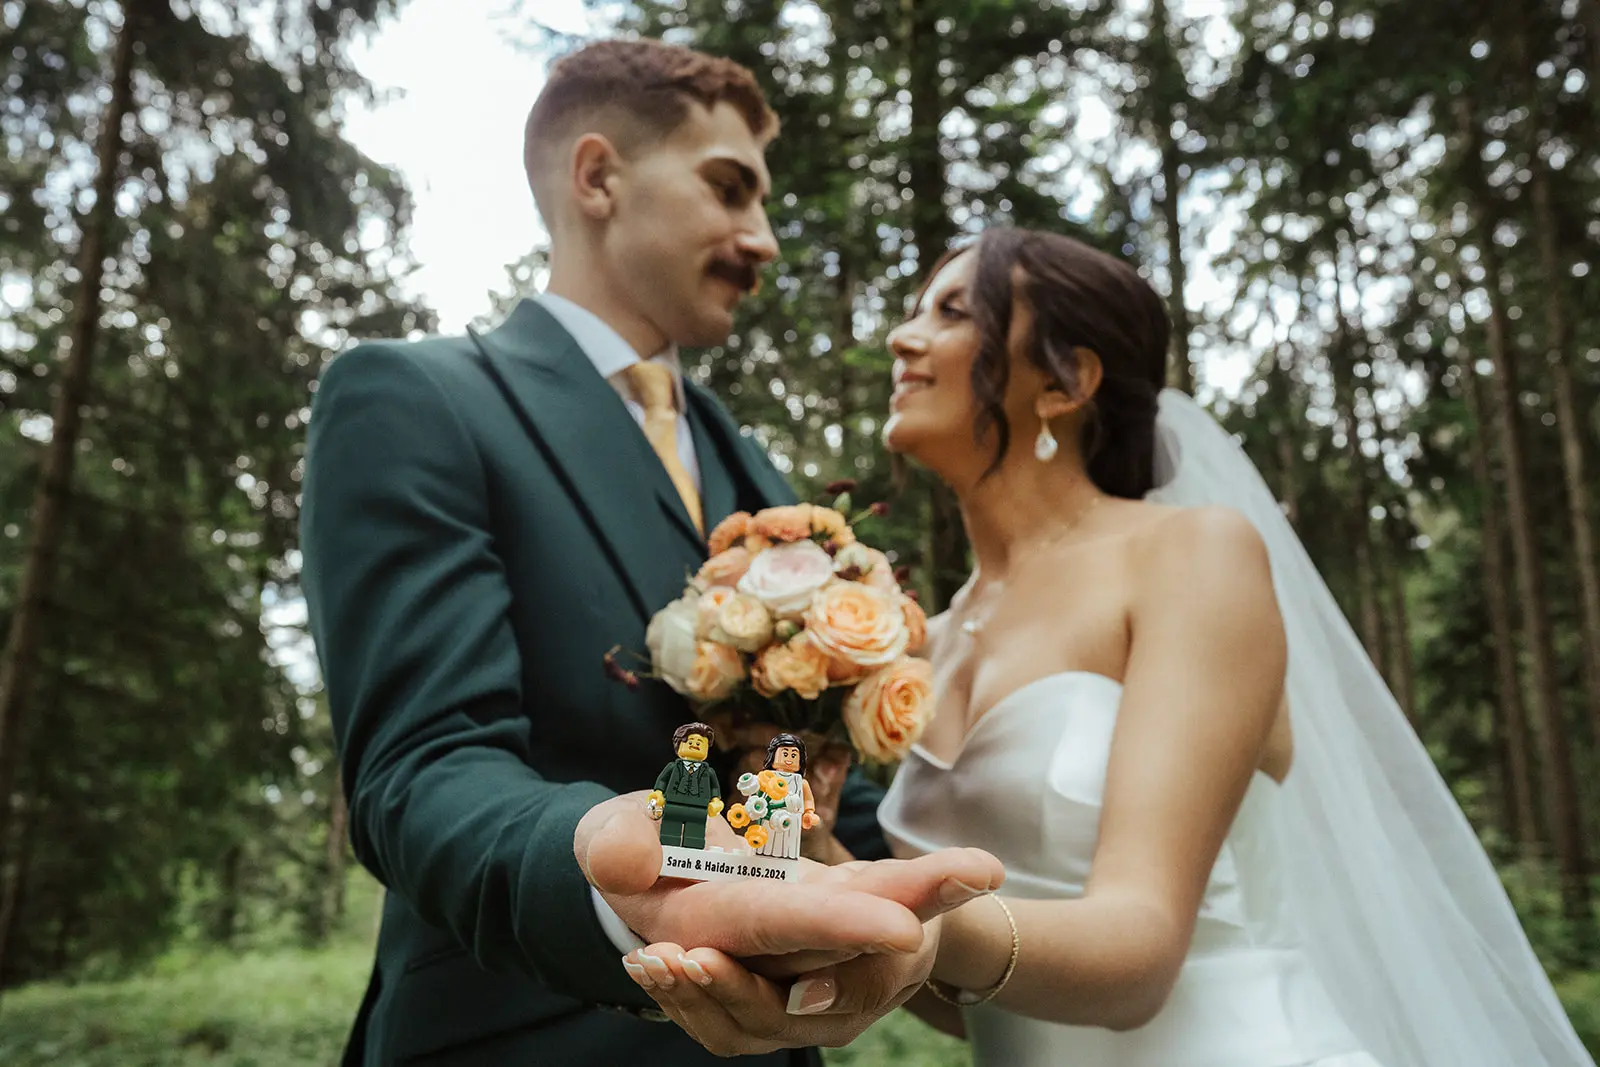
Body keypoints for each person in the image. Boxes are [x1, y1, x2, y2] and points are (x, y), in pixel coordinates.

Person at [615, 227, 1599, 1067]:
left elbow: (1136, 952)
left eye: (952, 313)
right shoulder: (928, 640)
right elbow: (965, 993)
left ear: (1067, 380)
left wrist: (866, 902)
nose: (901, 337)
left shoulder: (1190, 555)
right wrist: (809, 852)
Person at [300, 38, 1002, 1067]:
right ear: (597, 177)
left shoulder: (759, 473)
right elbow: (423, 765)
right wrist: (604, 868)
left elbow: (821, 762)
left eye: (763, 206)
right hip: (515, 1035)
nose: (760, 238)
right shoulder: (418, 399)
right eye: (728, 189)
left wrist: (889, 910)